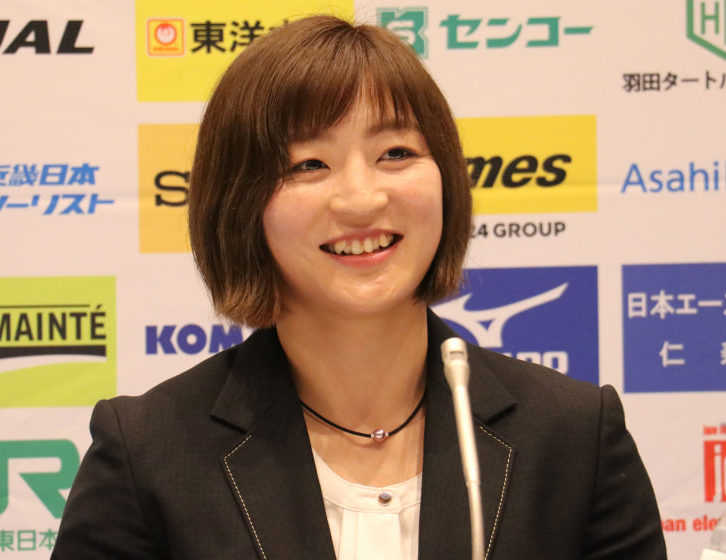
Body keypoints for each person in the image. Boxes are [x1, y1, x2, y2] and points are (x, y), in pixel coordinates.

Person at [51, 15, 667, 560]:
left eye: (395, 153)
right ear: (239, 204)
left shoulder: (575, 436)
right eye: (308, 165)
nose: (362, 199)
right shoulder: (150, 453)